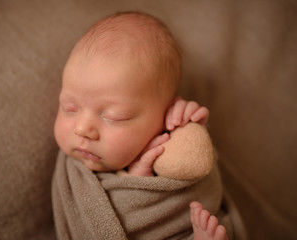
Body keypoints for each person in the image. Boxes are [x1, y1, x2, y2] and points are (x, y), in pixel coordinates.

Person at [53, 11, 228, 240]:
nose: (82, 129)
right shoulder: (73, 176)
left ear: (164, 115)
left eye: (115, 117)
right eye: (70, 108)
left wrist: (187, 132)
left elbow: (201, 188)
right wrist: (134, 180)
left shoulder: (167, 136)